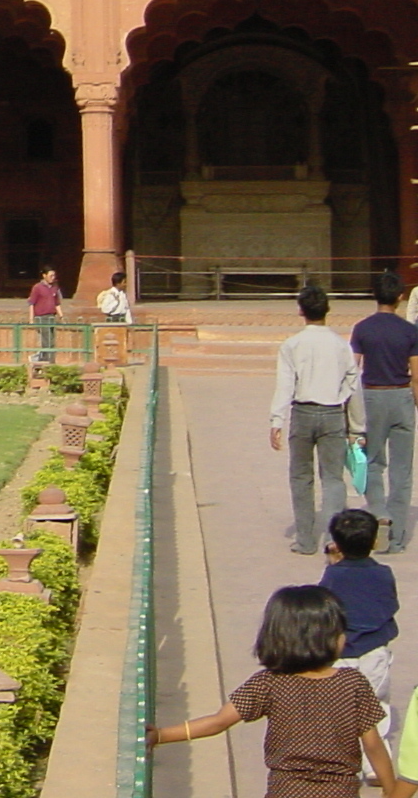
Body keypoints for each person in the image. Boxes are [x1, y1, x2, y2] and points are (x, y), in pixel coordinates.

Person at [150, 584, 401, 797]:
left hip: (285, 790)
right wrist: (391, 791)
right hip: (340, 791)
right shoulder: (352, 683)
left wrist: (161, 735)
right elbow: (373, 745)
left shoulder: (268, 682)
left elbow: (218, 722)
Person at [275, 284, 365, 556]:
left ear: (301, 311)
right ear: (327, 310)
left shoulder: (292, 345)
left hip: (302, 413)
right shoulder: (341, 345)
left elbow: (285, 385)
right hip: (332, 414)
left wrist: (276, 420)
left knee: (301, 477)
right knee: (333, 479)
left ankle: (304, 540)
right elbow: (353, 385)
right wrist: (358, 425)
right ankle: (332, 538)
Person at [353, 271, 418, 555]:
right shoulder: (410, 331)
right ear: (400, 297)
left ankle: (378, 512)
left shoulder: (362, 329)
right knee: (402, 470)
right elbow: (416, 374)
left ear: (374, 295)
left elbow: (352, 371)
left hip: (372, 396)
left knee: (373, 462)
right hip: (401, 394)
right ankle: (398, 536)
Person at [320, 509, 398, 742]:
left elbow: (325, 605)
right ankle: (374, 759)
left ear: (336, 544)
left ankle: (342, 751)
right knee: (376, 704)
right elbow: (391, 604)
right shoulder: (383, 573)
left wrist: (332, 563)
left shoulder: (334, 575)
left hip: (342, 651)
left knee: (341, 705)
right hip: (375, 649)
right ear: (374, 541)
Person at [27, 268, 62, 364]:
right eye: (51, 276)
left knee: (52, 340)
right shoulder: (37, 287)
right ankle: (46, 360)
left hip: (51, 316)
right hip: (41, 317)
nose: (53, 278)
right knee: (46, 340)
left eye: (54, 276)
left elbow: (57, 303)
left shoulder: (55, 287)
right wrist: (31, 318)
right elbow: (31, 303)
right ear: (44, 275)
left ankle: (50, 360)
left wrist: (61, 315)